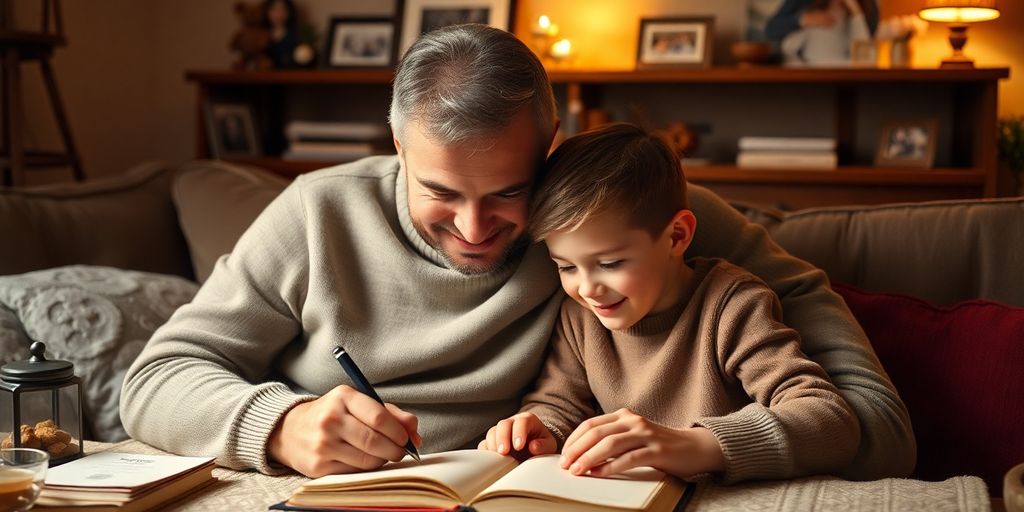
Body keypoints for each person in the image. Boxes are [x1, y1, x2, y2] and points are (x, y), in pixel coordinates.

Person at [120, 24, 914, 481]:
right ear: (396, 143)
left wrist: (720, 440)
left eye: (507, 192)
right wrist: (281, 425)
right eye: (440, 192)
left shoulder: (606, 214)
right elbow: (154, 381)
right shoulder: (315, 214)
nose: (473, 228)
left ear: (551, 149)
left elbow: (869, 419)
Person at [479, 123, 861, 482]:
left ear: (677, 236)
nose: (588, 288)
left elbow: (828, 419)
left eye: (610, 263)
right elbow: (559, 403)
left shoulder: (731, 306)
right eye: (566, 266)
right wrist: (537, 428)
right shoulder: (580, 317)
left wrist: (697, 445)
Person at [765, 0, 878, 66]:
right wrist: (802, 19)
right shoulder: (804, 4)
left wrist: (856, 13)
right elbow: (772, 29)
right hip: (807, 71)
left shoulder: (866, 7)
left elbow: (865, 54)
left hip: (843, 71)